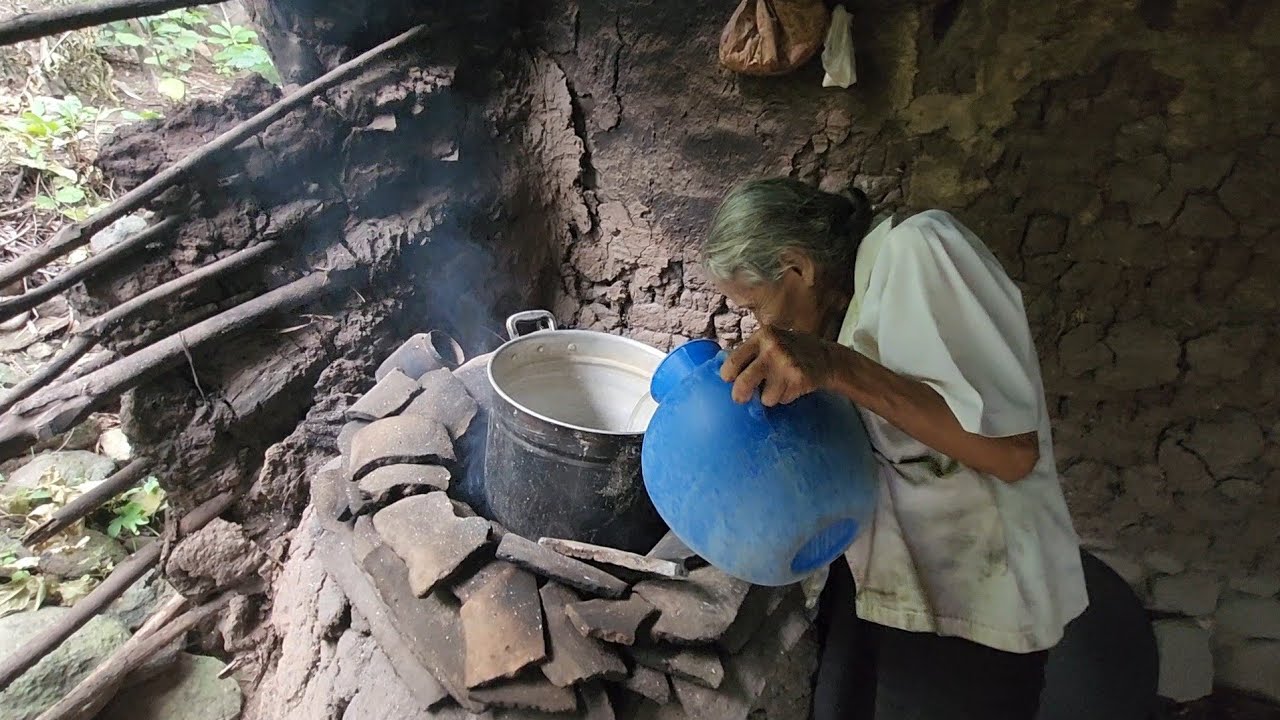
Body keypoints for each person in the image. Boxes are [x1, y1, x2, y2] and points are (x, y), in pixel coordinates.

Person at [700, 178, 1088, 719]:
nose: (758, 324)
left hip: (979, 604)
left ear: (798, 266)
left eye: (756, 305)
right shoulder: (845, 317)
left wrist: (835, 367)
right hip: (896, 588)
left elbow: (1012, 453)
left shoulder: (919, 251)